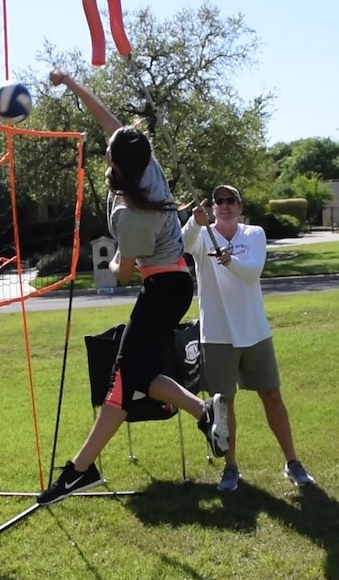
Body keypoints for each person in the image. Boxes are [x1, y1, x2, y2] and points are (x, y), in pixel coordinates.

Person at [36, 70, 230, 505]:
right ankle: (204, 414)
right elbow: (109, 120)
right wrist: (69, 82)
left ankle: (78, 472)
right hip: (170, 285)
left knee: (121, 384)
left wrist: (111, 256)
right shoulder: (145, 166)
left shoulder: (130, 215)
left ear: (115, 163)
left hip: (163, 288)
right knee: (139, 374)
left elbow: (122, 274)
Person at [182, 185, 315, 491]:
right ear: (213, 207)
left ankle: (292, 462)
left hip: (254, 331)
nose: (224, 205)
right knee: (223, 405)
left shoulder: (253, 234)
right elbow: (184, 243)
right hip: (216, 335)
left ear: (240, 207)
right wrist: (194, 221)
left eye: (230, 201)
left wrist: (230, 261)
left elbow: (252, 273)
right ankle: (231, 468)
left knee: (271, 395)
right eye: (219, 201)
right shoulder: (202, 234)